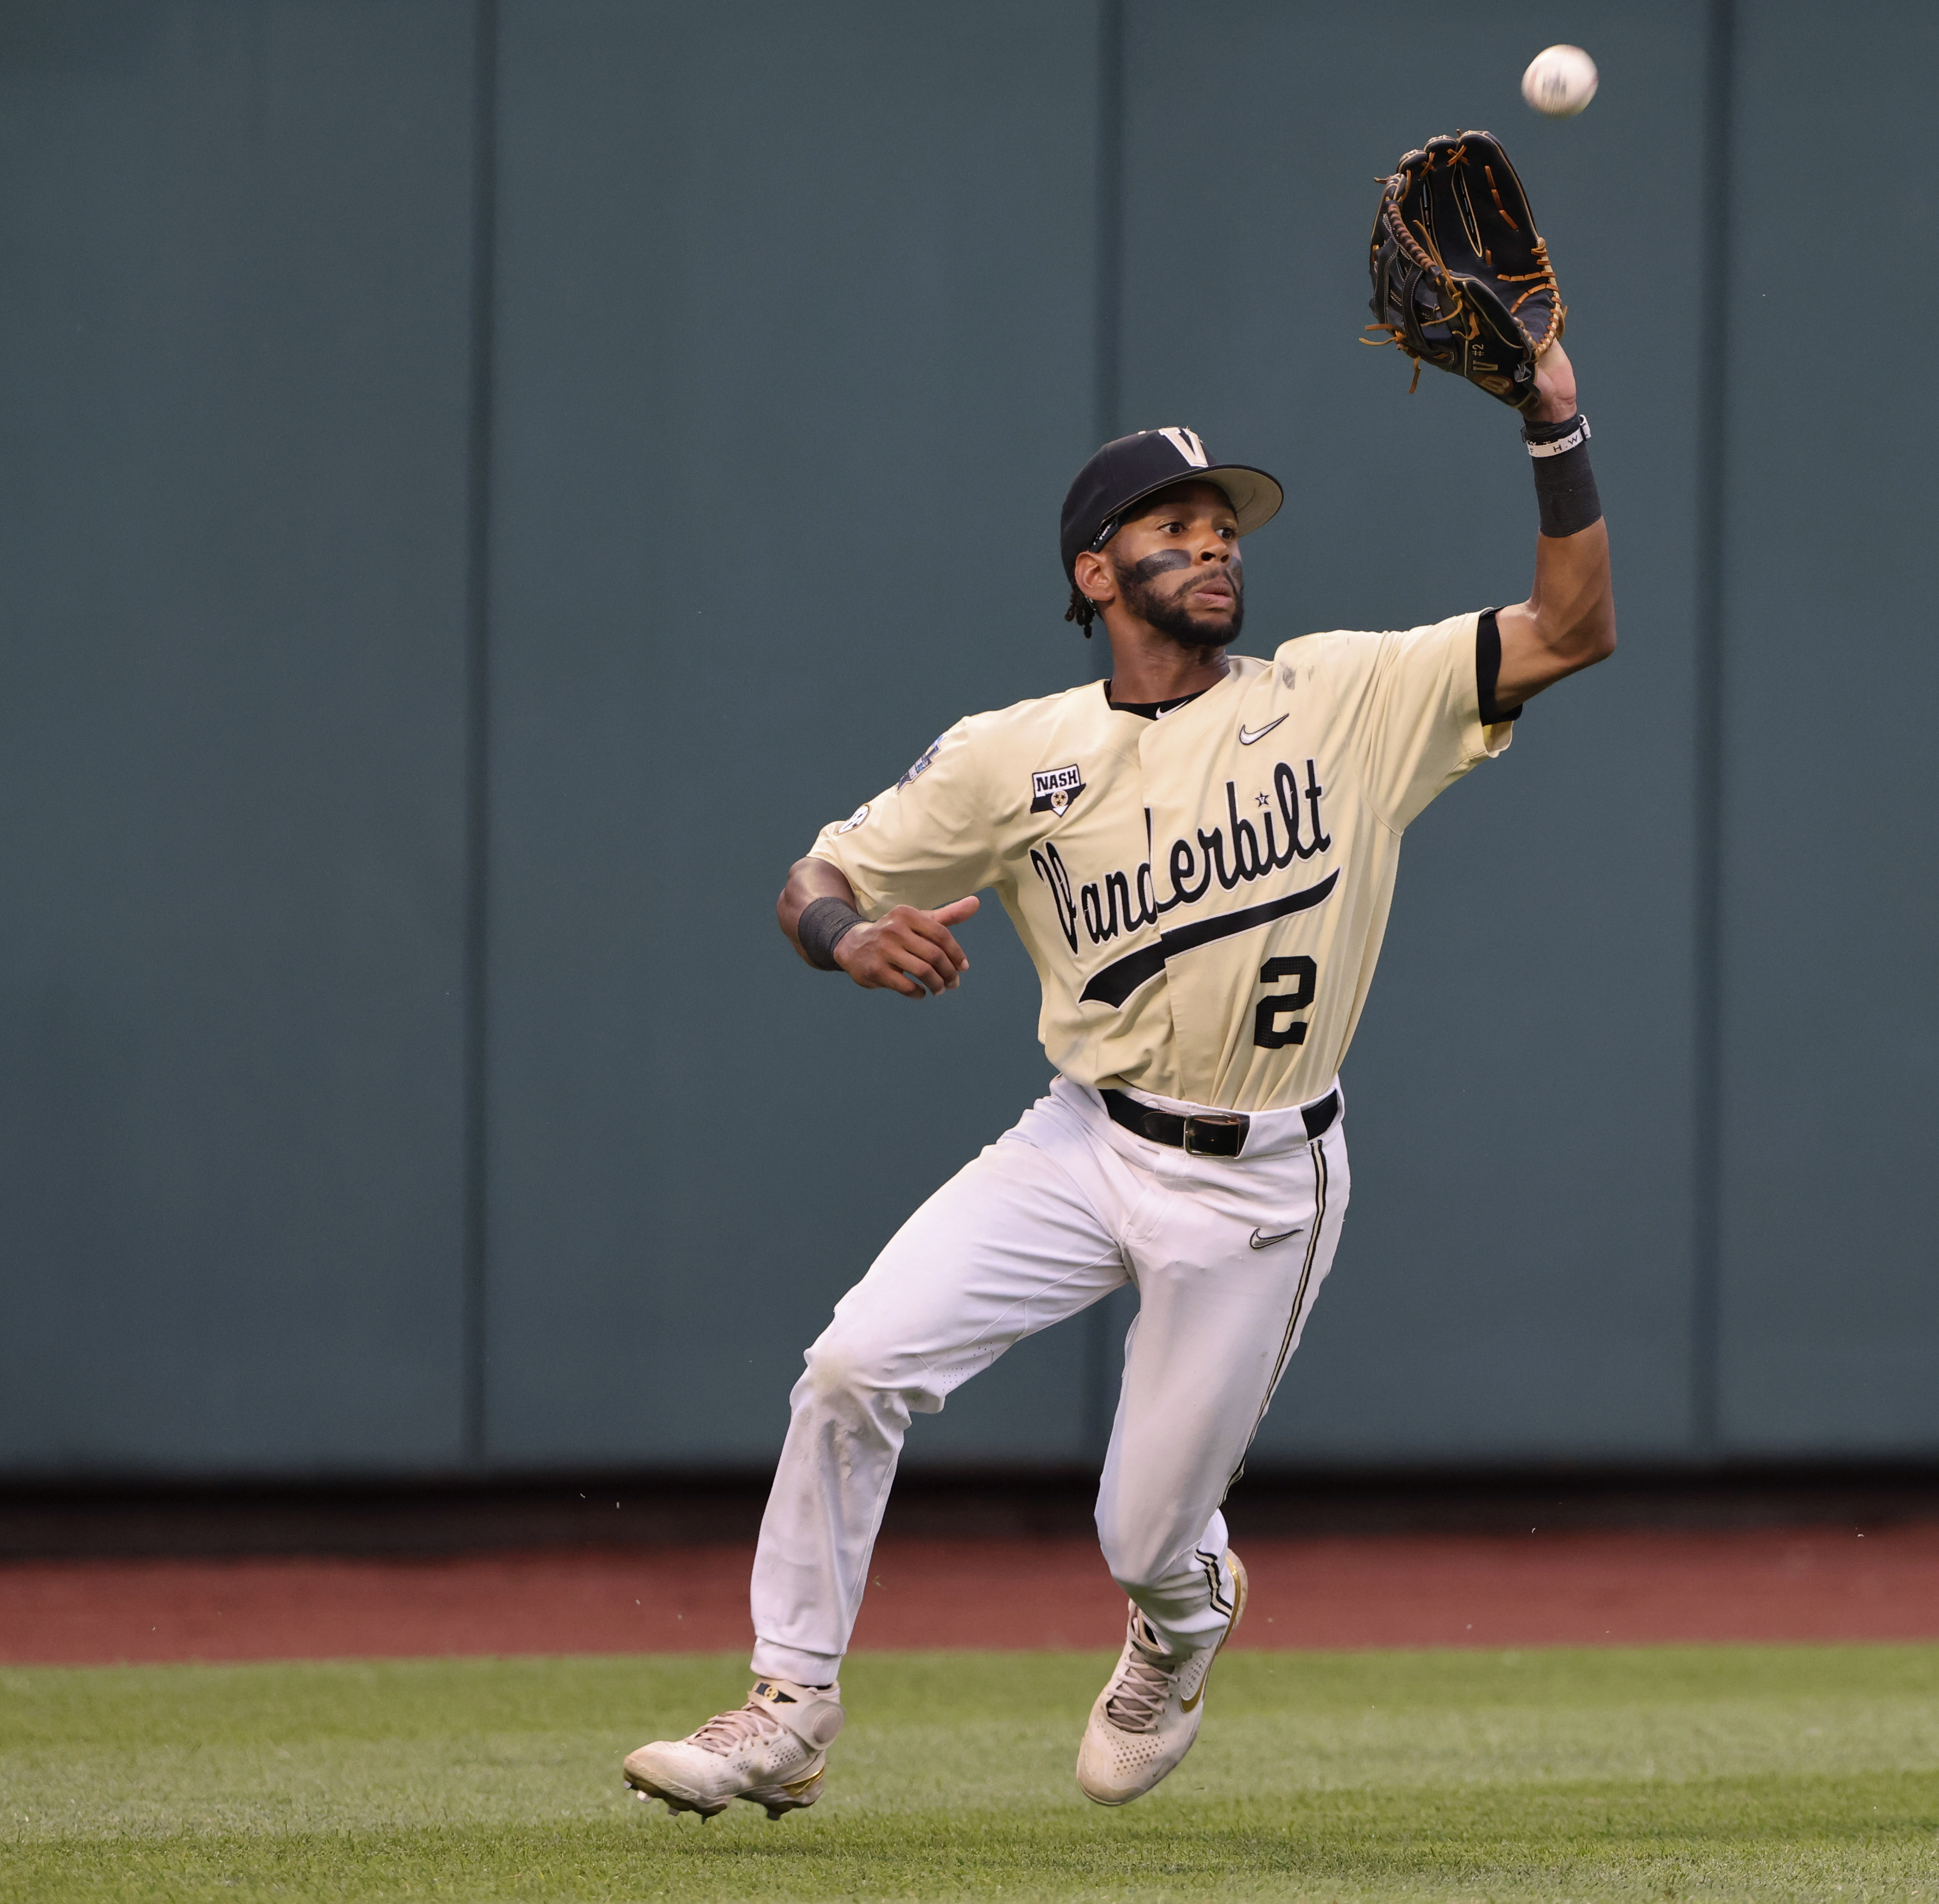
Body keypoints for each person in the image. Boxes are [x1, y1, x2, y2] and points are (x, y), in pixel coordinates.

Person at [621, 340, 1612, 1817]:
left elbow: (1572, 626)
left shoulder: (1347, 696)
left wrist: (1555, 424)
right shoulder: (1016, 753)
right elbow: (812, 873)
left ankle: (1180, 1618)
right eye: (1174, 526)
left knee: (1144, 1532)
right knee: (850, 1365)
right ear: (1096, 574)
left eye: (1225, 528)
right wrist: (843, 934)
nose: (1213, 545)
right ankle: (789, 1704)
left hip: (1264, 1176)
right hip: (1083, 1143)